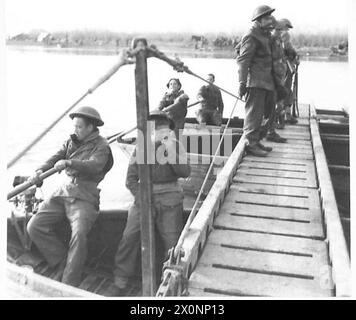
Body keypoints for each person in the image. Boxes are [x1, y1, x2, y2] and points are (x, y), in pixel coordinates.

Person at [27, 106, 113, 287]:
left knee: (79, 234)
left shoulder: (102, 146)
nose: (75, 130)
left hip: (85, 194)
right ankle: (61, 262)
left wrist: (69, 162)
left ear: (91, 127)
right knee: (34, 225)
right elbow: (55, 157)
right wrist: (39, 170)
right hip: (64, 191)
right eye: (74, 126)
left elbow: (94, 166)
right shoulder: (71, 141)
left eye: (79, 127)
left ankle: (69, 281)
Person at [111, 110, 191, 296]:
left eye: (162, 128)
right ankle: (120, 281)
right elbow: (130, 180)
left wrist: (169, 149)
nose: (158, 132)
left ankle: (167, 284)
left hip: (170, 197)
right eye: (154, 129)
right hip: (143, 197)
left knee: (172, 245)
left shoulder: (175, 145)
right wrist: (142, 199)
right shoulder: (141, 148)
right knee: (128, 238)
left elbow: (185, 172)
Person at [236, 5, 287, 157]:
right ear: (258, 21)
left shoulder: (266, 35)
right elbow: (243, 61)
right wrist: (242, 83)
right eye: (267, 18)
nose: (270, 20)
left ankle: (256, 140)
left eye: (270, 17)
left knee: (268, 113)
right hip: (256, 83)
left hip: (268, 81)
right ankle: (250, 143)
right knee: (254, 114)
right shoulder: (251, 36)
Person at [280, 18, 299, 124]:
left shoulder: (274, 35)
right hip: (286, 66)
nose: (288, 29)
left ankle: (284, 115)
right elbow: (287, 48)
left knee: (285, 90)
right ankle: (285, 115)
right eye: (287, 27)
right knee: (286, 89)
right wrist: (294, 57)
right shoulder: (285, 34)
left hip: (282, 66)